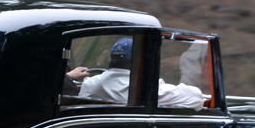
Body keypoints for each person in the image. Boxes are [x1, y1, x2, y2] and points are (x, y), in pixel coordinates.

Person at [77, 37, 205, 109]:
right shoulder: (147, 90)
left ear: (110, 59)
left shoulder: (90, 84)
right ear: (140, 61)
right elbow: (196, 97)